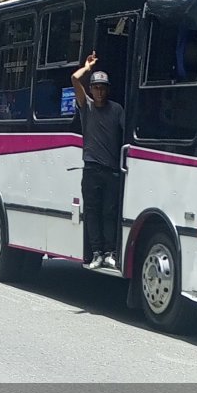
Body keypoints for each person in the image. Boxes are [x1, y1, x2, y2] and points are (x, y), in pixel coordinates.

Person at [72, 51, 124, 270]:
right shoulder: (88, 107)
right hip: (91, 169)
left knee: (109, 212)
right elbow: (75, 79)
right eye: (96, 87)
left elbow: (125, 134)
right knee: (92, 212)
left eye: (103, 88)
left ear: (107, 89)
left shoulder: (117, 110)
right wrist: (88, 67)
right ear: (91, 89)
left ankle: (110, 252)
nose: (99, 91)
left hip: (112, 169)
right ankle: (96, 253)